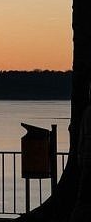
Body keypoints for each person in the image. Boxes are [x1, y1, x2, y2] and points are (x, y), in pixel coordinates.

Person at [70, 84, 91, 222]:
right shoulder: (88, 112)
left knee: (83, 194)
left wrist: (79, 155)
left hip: (86, 158)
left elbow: (82, 136)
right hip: (87, 158)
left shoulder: (87, 112)